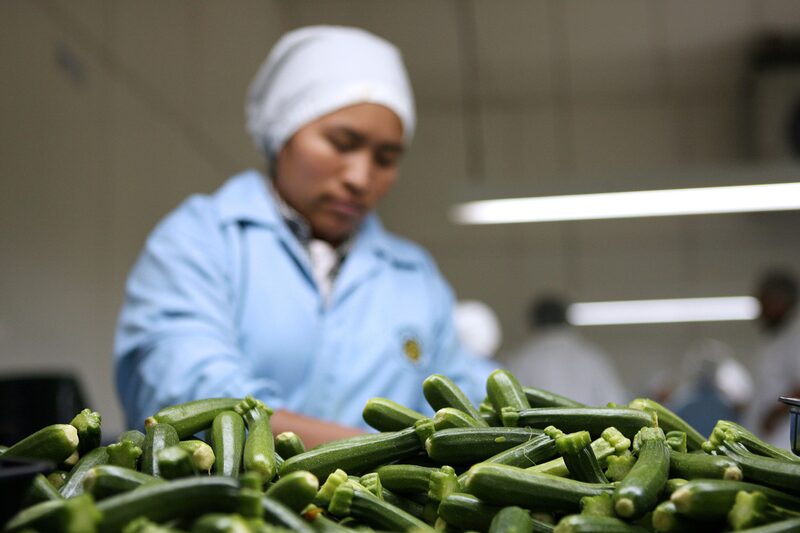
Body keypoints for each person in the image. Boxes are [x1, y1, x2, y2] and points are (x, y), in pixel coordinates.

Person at [113, 26, 491, 447]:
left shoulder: (414, 275)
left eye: (386, 159)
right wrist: (384, 454)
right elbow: (193, 401)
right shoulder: (201, 240)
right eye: (341, 143)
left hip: (377, 512)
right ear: (283, 133)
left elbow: (467, 402)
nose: (360, 177)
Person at [504, 295, 629, 406]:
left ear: (532, 322)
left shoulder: (521, 359)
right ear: (566, 319)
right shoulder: (592, 356)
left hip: (537, 432)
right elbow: (616, 402)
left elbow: (511, 404)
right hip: (591, 431)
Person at [745, 269, 800, 447]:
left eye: (763, 301)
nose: (759, 309)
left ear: (779, 301)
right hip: (767, 435)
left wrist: (775, 415)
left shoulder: (795, 335)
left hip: (785, 433)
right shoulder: (771, 338)